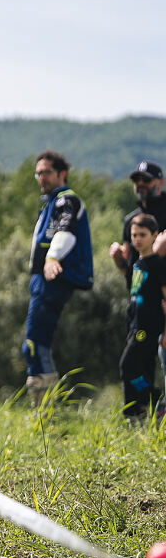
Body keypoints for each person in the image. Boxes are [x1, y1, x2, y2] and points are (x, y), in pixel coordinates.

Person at [23, 150, 93, 406]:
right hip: (43, 281)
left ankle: (46, 413)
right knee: (35, 345)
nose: (42, 177)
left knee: (33, 346)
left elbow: (65, 233)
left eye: (47, 172)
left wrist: (52, 258)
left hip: (53, 279)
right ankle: (46, 412)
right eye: (38, 173)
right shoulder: (53, 201)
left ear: (61, 174)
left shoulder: (66, 200)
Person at [118, 213, 166, 421]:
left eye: (142, 235)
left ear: (154, 236)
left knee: (127, 366)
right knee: (141, 371)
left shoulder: (158, 265)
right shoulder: (138, 264)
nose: (137, 239)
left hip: (148, 328)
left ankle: (155, 396)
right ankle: (135, 414)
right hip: (134, 326)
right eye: (134, 235)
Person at [108, 160, 166, 288]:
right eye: (136, 180)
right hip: (139, 296)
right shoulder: (131, 220)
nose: (140, 183)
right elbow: (130, 270)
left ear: (160, 183)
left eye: (146, 180)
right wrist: (118, 260)